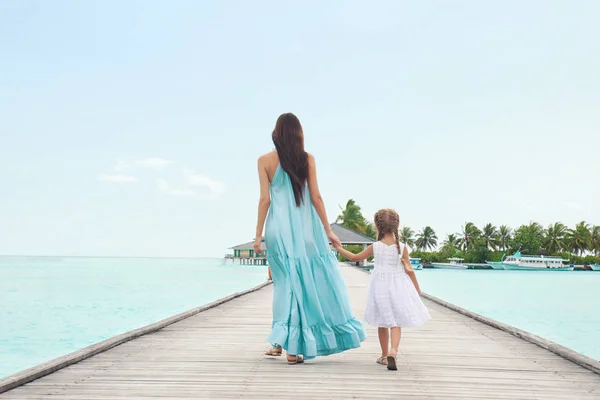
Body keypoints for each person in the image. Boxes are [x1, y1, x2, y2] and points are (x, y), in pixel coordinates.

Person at [254, 113, 366, 365]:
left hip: (278, 231)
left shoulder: (264, 161)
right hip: (306, 230)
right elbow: (316, 197)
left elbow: (265, 200)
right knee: (305, 283)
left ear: (277, 133)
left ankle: (286, 344)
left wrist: (258, 235)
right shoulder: (307, 160)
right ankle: (291, 345)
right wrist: (328, 230)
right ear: (298, 134)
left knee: (285, 286)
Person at [335, 208, 430, 371]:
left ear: (377, 226)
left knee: (383, 321)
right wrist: (417, 289)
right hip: (398, 286)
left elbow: (355, 257)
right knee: (396, 322)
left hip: (380, 287)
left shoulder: (376, 246)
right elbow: (409, 270)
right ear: (396, 226)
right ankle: (394, 351)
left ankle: (384, 355)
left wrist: (339, 248)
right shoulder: (403, 247)